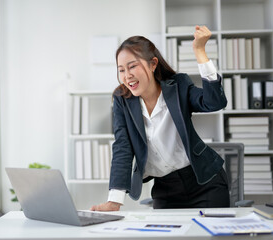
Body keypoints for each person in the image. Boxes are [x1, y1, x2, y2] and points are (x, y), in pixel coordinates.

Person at [90, 25, 230, 211]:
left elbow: (214, 102)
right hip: (166, 190)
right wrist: (114, 201)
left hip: (205, 182)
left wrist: (199, 51)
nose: (127, 75)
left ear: (153, 64)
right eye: (121, 70)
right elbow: (122, 147)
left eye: (132, 66)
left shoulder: (178, 86)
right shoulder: (122, 100)